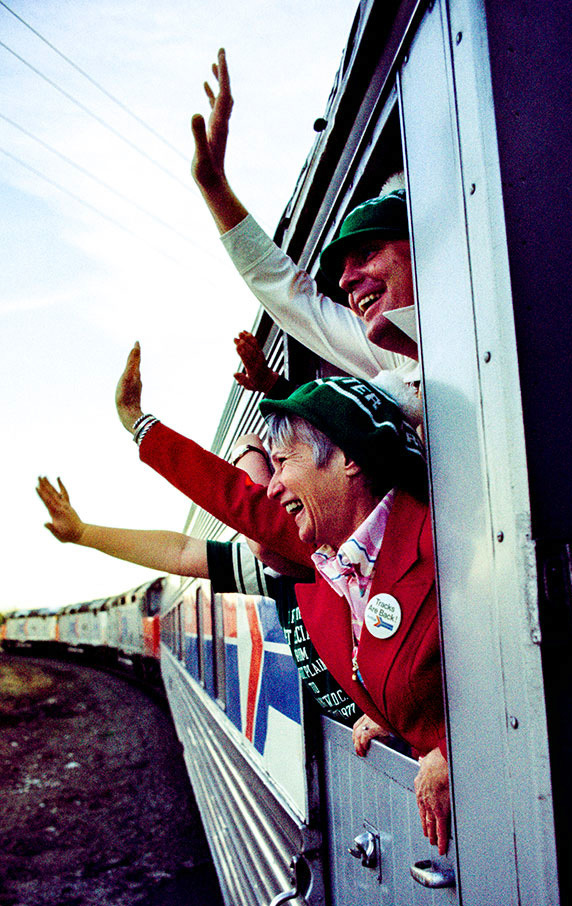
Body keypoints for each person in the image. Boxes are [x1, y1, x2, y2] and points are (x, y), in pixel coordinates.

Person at [116, 345, 450, 853]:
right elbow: (232, 495)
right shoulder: (322, 552)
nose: (269, 488)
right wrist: (140, 426)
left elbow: (516, 670)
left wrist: (451, 749)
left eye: (281, 464)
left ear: (349, 459)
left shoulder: (440, 539)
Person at [35, 472, 372, 730]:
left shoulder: (361, 563)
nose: (275, 488)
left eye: (286, 463)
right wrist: (83, 534)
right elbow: (180, 552)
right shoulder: (277, 571)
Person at [192, 49, 419, 378]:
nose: (345, 280)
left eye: (368, 251)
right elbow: (291, 296)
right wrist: (214, 188)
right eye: (344, 269)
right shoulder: (397, 355)